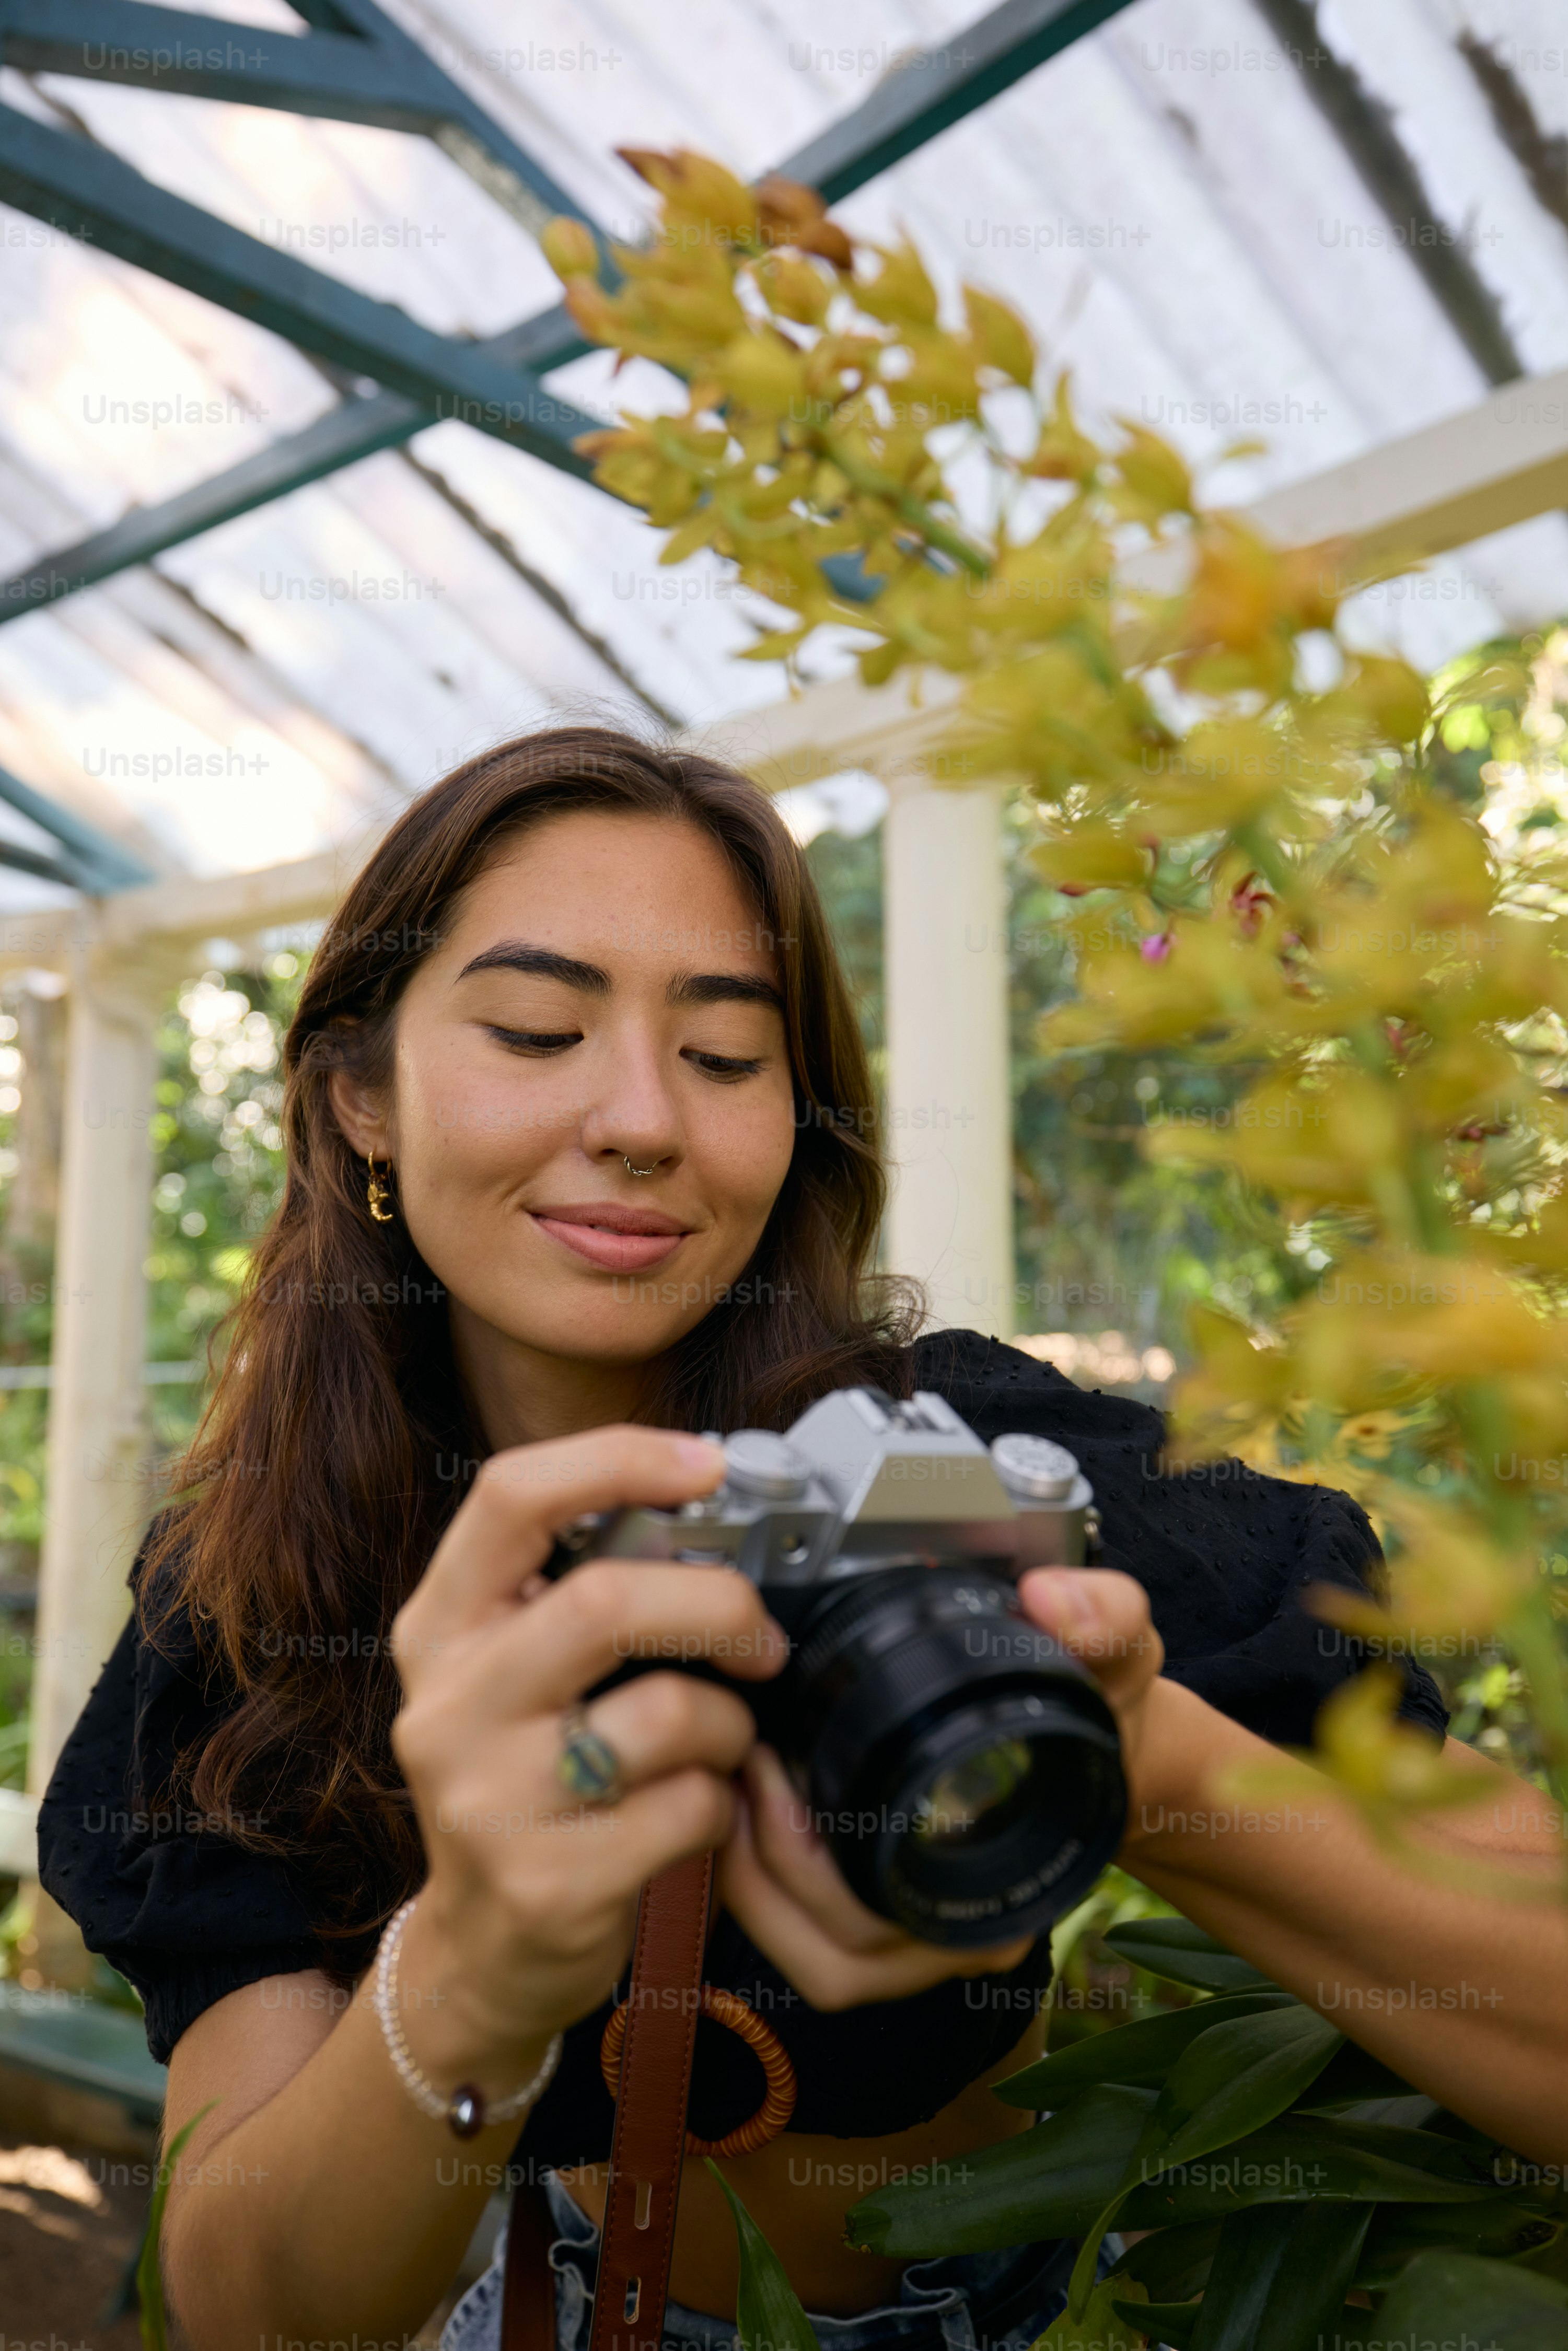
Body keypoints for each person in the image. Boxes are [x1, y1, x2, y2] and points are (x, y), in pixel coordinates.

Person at [37, 729, 1566, 2351]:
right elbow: (247, 2305)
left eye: (724, 1054)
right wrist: (474, 1967)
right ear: (359, 1096)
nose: (640, 1118)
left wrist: (1147, 1759)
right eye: (537, 1028)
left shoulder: (972, 1462)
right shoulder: (263, 1594)